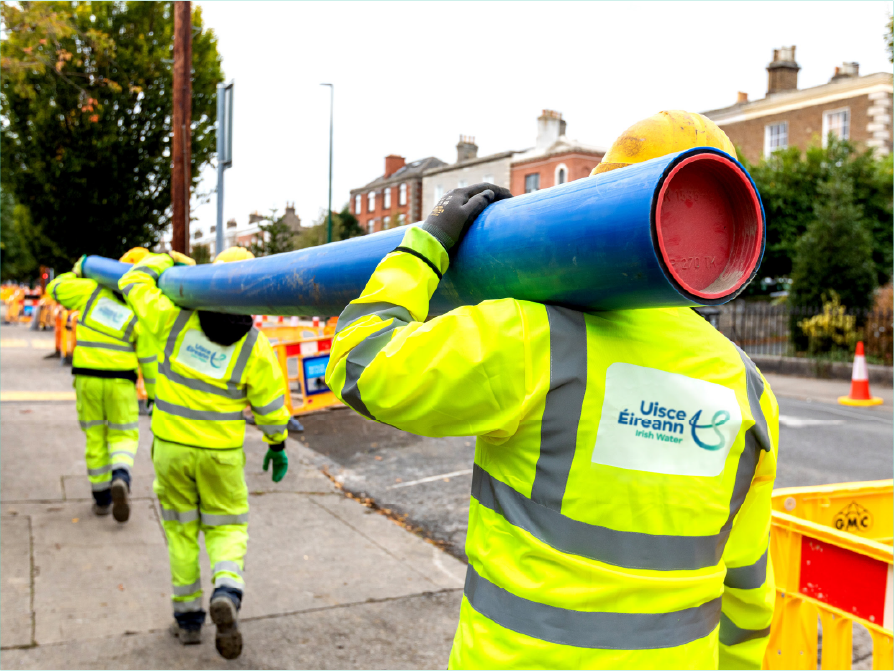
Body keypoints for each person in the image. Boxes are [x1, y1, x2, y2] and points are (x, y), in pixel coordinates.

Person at [325, 111, 779, 670]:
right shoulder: (748, 391)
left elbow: (360, 362)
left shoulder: (531, 337)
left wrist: (424, 249)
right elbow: (748, 588)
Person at [118, 246, 291, 659]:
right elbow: (270, 405)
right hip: (221, 456)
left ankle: (189, 621)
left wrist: (170, 262)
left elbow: (132, 280)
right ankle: (228, 589)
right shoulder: (256, 347)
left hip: (171, 448)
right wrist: (276, 442)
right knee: (227, 527)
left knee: (180, 532)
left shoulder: (174, 319)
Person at [47, 247, 158, 522]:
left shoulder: (90, 291)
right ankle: (120, 475)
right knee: (123, 435)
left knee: (95, 437)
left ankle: (101, 499)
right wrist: (154, 396)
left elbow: (55, 288)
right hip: (121, 381)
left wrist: (80, 270)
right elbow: (149, 360)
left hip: (87, 378)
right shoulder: (140, 308)